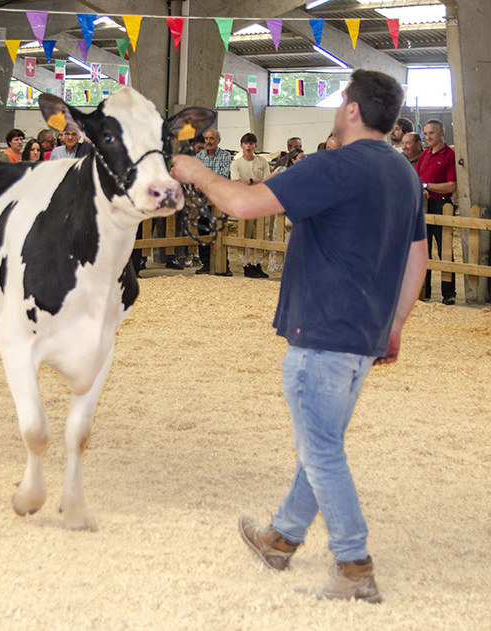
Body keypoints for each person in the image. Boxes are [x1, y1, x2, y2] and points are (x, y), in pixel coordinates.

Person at [171, 69, 428, 605]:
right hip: (364, 333)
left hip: (323, 332)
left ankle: (354, 564)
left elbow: (243, 204)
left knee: (322, 449)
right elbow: (416, 257)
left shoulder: (334, 164)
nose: (338, 110)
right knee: (321, 441)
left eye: (341, 102)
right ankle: (282, 538)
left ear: (354, 111)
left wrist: (196, 172)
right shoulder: (404, 173)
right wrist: (396, 324)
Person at [415, 118, 457, 305]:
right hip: (424, 205)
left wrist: (427, 185)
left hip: (441, 205)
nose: (428, 136)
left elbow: (452, 185)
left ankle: (449, 293)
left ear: (442, 133)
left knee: (444, 249)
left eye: (432, 132)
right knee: (424, 250)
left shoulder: (449, 155)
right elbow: (416, 178)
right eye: (426, 133)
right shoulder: (424, 155)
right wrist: (420, 187)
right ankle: (426, 291)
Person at [230, 132, 271, 278]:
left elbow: (269, 180)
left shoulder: (262, 162)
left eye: (251, 143)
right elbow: (236, 182)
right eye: (246, 143)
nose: (248, 146)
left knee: (261, 232)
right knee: (245, 232)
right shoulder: (236, 164)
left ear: (255, 146)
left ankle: (258, 263)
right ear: (241, 145)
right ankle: (246, 264)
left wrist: (250, 181)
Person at [194, 128, 231, 275]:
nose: (209, 142)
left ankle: (224, 264)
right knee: (202, 228)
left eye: (212, 139)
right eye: (207, 139)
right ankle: (206, 263)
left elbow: (222, 176)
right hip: (203, 200)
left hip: (219, 199)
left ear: (218, 141)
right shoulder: (199, 157)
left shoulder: (225, 155)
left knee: (220, 229)